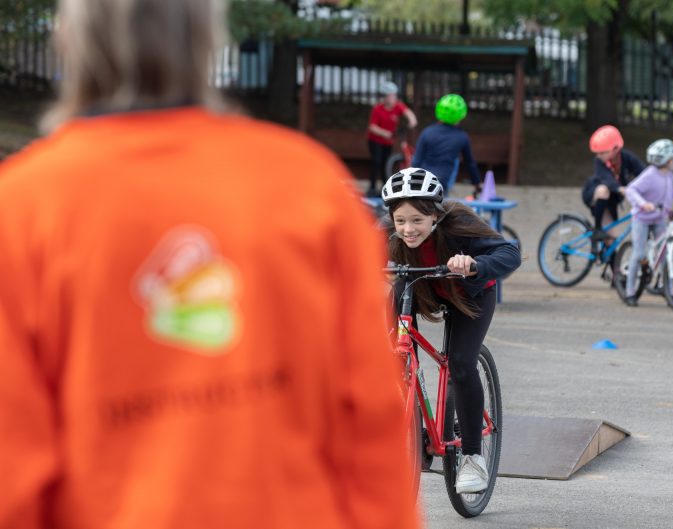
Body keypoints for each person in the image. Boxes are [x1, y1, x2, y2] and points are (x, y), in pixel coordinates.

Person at [0, 1, 421, 529]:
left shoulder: (21, 207)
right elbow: (369, 424)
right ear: (208, 40)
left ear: (71, 40)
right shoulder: (305, 183)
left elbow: (12, 464)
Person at [381, 167, 520, 493]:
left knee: (459, 362)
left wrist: (475, 265)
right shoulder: (388, 230)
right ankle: (416, 421)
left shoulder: (459, 223)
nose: (408, 229)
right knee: (393, 356)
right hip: (418, 288)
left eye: (417, 219)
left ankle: (472, 457)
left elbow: (509, 252)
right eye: (400, 220)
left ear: (434, 214)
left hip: (467, 294)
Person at [622, 139, 673, 306]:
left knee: (665, 253)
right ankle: (630, 291)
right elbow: (631, 190)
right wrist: (644, 204)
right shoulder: (650, 175)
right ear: (666, 161)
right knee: (639, 254)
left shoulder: (671, 176)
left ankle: (669, 289)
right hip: (642, 219)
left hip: (659, 218)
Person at [581, 125, 646, 240]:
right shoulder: (599, 161)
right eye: (597, 153)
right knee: (603, 190)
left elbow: (644, 174)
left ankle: (605, 256)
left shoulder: (627, 158)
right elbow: (606, 178)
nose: (599, 156)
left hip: (612, 199)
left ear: (616, 149)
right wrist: (620, 189)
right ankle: (597, 229)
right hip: (595, 193)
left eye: (602, 152)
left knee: (612, 238)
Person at [412, 94, 482, 197]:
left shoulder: (427, 132)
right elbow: (470, 163)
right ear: (461, 116)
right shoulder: (462, 136)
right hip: (442, 181)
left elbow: (416, 161)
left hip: (423, 178)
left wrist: (413, 181)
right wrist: (477, 184)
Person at [366, 81, 417, 196]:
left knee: (385, 163)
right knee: (376, 162)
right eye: (389, 95)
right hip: (375, 140)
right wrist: (385, 133)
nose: (392, 98)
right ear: (384, 96)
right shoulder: (377, 109)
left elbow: (409, 114)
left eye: (394, 95)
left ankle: (385, 188)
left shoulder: (398, 106)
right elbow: (372, 127)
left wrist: (412, 121)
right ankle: (372, 187)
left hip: (388, 142)